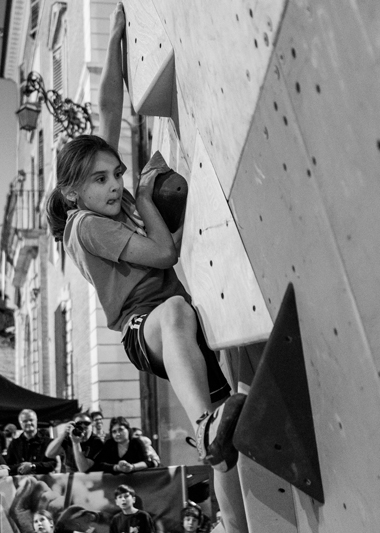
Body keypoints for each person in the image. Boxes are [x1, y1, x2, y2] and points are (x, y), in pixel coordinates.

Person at [45, 2, 245, 477]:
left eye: (116, 173)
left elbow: (109, 108)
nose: (114, 183)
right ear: (74, 193)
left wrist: (115, 39)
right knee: (175, 314)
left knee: (227, 463)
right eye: (100, 180)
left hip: (179, 327)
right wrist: (147, 201)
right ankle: (203, 426)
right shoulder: (85, 224)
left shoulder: (108, 202)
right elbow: (163, 252)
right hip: (146, 329)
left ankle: (218, 456)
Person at [6, 410, 56, 476]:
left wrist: (33, 466)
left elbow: (53, 463)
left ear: (36, 420)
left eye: (31, 420)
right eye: (25, 421)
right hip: (21, 483)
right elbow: (8, 465)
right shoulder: (14, 444)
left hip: (44, 482)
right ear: (20, 423)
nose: (29, 423)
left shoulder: (48, 442)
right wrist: (20, 467)